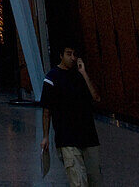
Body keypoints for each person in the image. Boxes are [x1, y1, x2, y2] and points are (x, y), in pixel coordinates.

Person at [40, 42, 102, 185]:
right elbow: (46, 111)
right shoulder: (51, 78)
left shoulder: (80, 76)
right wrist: (45, 137)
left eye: (75, 54)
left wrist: (84, 73)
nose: (72, 58)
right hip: (67, 138)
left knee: (95, 180)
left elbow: (96, 97)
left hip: (89, 136)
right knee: (78, 180)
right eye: (68, 54)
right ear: (61, 55)